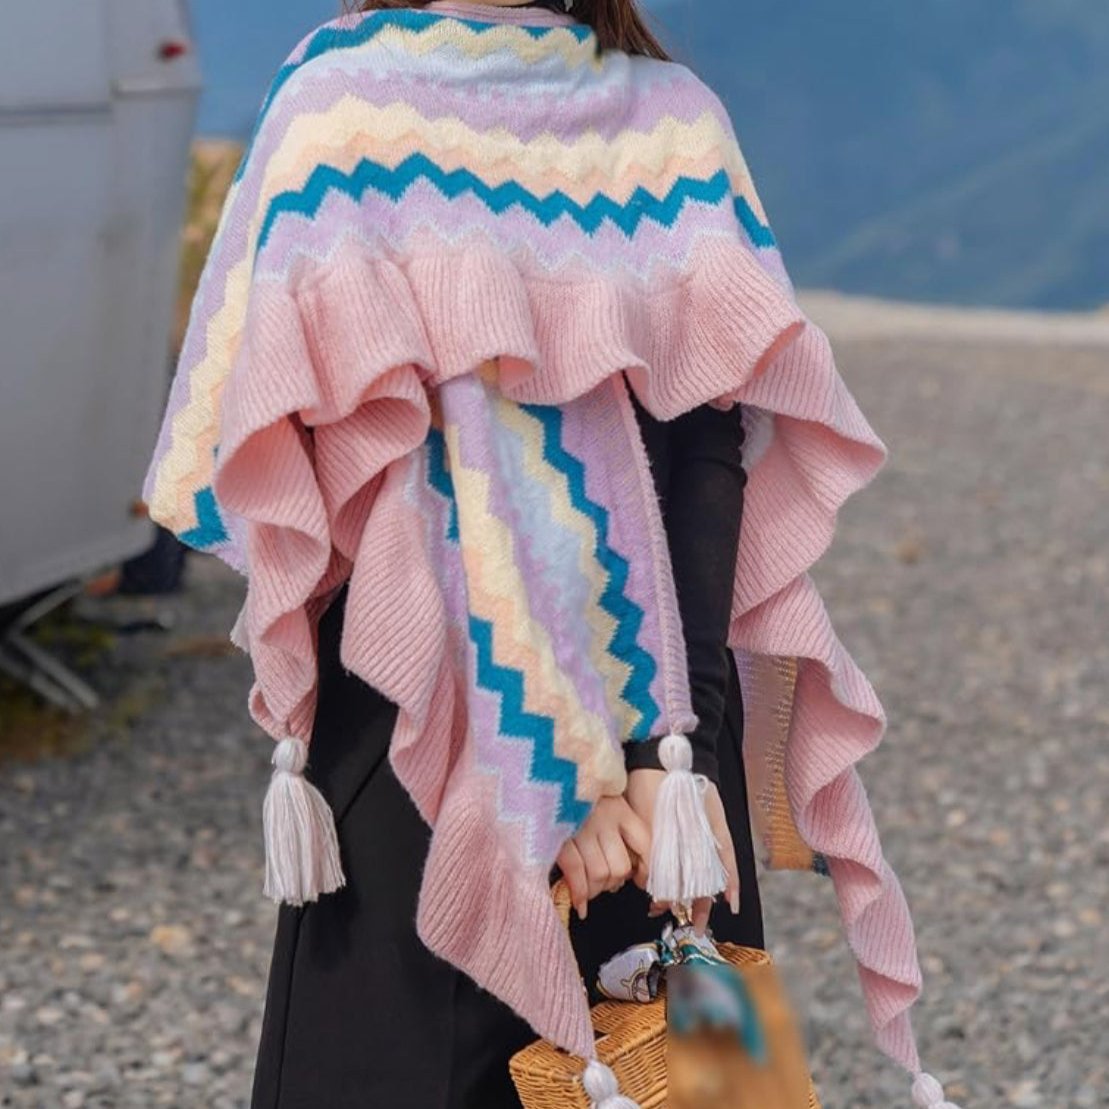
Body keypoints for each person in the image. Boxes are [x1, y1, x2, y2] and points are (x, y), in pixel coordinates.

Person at [143, 2, 964, 1106]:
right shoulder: (351, 113)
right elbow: (686, 461)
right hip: (506, 724)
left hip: (578, 730)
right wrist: (610, 752)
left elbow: (702, 444)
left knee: (652, 1073)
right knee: (650, 1065)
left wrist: (634, 754)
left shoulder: (645, 121)